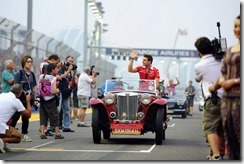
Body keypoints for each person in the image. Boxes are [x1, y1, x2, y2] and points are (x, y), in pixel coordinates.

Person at [209, 15, 240, 160]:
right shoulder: (230, 50)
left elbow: (229, 78)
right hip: (227, 101)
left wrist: (234, 81)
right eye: (235, 26)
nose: (237, 30)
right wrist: (214, 87)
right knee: (230, 138)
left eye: (240, 26)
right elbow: (223, 74)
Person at [194, 36, 225, 160]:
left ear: (198, 51)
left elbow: (197, 79)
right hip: (227, 99)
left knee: (210, 128)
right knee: (220, 128)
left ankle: (216, 156)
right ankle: (217, 153)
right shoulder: (222, 61)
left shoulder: (199, 66)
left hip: (213, 99)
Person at [11, 55, 37, 142]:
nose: (30, 63)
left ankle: (24, 134)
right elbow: (15, 86)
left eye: (31, 62)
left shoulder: (32, 74)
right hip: (20, 99)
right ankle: (10, 132)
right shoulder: (19, 73)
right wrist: (24, 92)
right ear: (24, 63)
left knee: (26, 117)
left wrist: (35, 97)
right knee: (15, 117)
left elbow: (34, 86)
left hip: (29, 99)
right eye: (28, 62)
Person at [0, 84, 32, 153]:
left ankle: (3, 144)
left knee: (9, 124)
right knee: (18, 137)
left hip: (2, 124)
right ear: (20, 93)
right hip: (1, 126)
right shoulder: (16, 101)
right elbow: (28, 115)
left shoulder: (2, 95)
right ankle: (2, 141)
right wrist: (28, 101)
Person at [38, 63, 64, 139]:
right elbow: (53, 91)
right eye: (56, 69)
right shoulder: (53, 78)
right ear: (52, 70)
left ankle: (43, 133)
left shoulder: (41, 76)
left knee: (43, 116)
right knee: (55, 116)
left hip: (42, 99)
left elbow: (39, 88)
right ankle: (57, 133)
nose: (57, 70)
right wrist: (59, 90)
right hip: (50, 99)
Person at [58, 56, 75, 132]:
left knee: (67, 109)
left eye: (72, 62)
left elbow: (71, 80)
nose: (71, 63)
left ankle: (66, 126)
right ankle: (53, 126)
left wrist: (73, 72)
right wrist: (68, 70)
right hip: (60, 90)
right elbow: (61, 77)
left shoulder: (70, 70)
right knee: (58, 109)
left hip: (66, 91)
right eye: (69, 61)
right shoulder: (61, 69)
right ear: (66, 61)